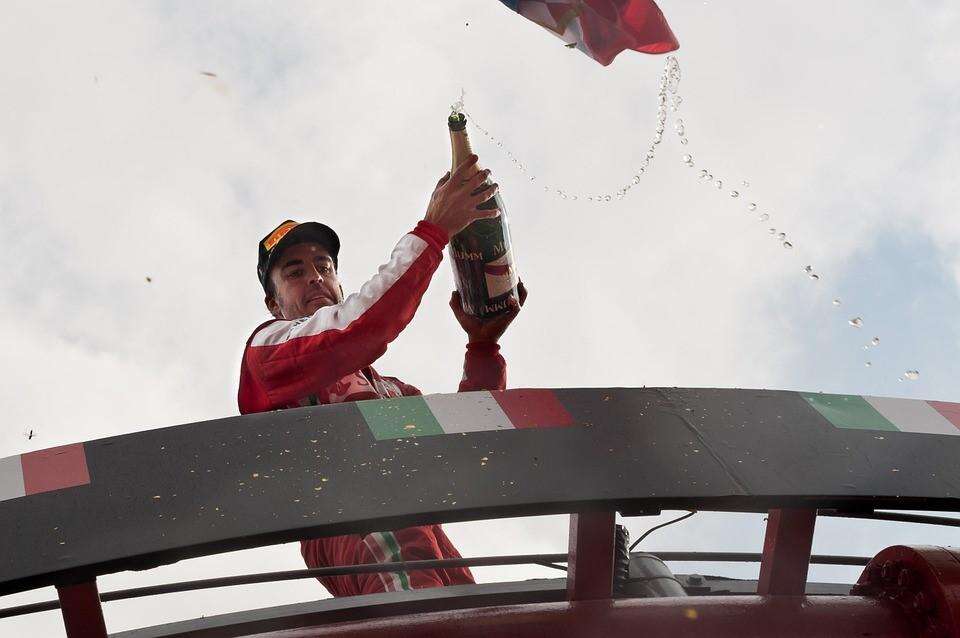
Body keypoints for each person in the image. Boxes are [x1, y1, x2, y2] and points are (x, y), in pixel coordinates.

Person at [238, 155, 527, 597]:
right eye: (294, 272)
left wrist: (483, 347)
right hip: (350, 517)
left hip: (425, 535)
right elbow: (357, 327)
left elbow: (467, 446)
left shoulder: (391, 392)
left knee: (469, 610)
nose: (315, 277)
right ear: (274, 305)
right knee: (413, 587)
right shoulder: (269, 347)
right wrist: (433, 231)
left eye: (324, 265)